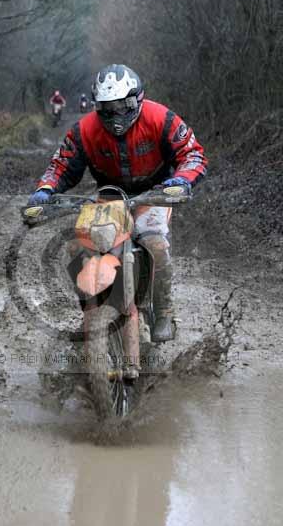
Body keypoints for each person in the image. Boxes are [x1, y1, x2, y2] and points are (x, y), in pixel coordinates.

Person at [30, 64, 207, 342]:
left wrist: (182, 180)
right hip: (110, 196)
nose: (116, 115)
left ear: (137, 100)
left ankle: (164, 311)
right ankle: (91, 312)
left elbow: (191, 153)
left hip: (155, 193)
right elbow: (62, 165)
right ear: (97, 106)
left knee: (155, 244)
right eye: (108, 108)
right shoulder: (84, 130)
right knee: (78, 247)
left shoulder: (161, 118)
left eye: (123, 106)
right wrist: (46, 188)